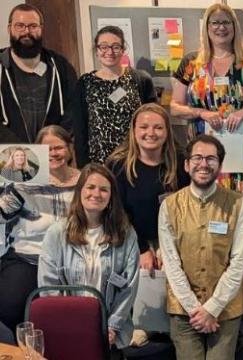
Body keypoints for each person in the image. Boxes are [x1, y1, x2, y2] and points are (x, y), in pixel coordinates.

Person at [170, 3, 243, 215]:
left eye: (226, 22)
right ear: (206, 27)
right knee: (205, 208)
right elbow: (175, 107)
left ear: (234, 26)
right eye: (214, 22)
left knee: (241, 209)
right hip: (203, 153)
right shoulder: (191, 63)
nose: (220, 27)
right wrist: (201, 113)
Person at [158, 135, 243, 358]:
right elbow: (171, 263)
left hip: (226, 307)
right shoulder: (169, 205)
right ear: (187, 164)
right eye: (197, 157)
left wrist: (212, 307)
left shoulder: (238, 203)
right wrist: (195, 309)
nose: (204, 164)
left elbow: (239, 261)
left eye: (211, 158)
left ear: (219, 165)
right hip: (183, 307)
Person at [38, 163, 139, 350]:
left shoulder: (126, 234)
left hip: (110, 331)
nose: (96, 194)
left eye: (104, 189)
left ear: (111, 197)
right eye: (90, 187)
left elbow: (128, 287)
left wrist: (112, 327)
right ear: (80, 191)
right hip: (66, 327)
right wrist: (70, 325)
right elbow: (48, 287)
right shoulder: (57, 233)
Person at [0, 125, 79, 332]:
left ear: (69, 149)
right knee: (9, 305)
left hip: (71, 259)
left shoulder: (84, 181)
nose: (54, 153)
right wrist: (17, 192)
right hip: (28, 256)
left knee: (68, 316)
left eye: (59, 147)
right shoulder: (22, 182)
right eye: (47, 149)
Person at [106, 103, 189, 275]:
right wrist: (142, 249)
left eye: (158, 128)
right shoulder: (118, 166)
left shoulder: (181, 163)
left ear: (167, 132)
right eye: (143, 127)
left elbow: (188, 210)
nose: (150, 133)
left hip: (176, 243)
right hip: (131, 242)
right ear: (134, 131)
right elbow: (117, 214)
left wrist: (169, 249)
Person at [75, 25, 156, 167]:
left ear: (123, 49)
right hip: (98, 164)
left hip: (135, 161)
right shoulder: (85, 83)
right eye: (104, 47)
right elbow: (80, 129)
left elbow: (154, 121)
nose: (110, 52)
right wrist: (84, 167)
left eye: (115, 46)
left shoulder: (140, 79)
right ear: (97, 50)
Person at [0, 4, 78, 143]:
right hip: (7, 155)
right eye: (20, 25)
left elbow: (73, 108)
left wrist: (55, 140)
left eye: (33, 26)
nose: (26, 31)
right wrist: (18, 147)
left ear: (41, 28)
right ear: (9, 28)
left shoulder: (60, 66)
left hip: (52, 154)